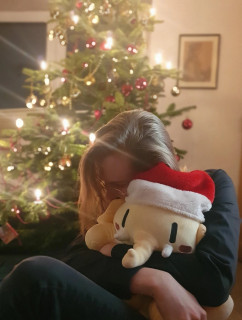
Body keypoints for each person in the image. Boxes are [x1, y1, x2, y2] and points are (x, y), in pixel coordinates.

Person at [0, 110, 240, 320]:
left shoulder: (212, 185)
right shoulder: (111, 201)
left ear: (167, 165)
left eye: (134, 184)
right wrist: (155, 281)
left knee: (35, 277)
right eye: (112, 185)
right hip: (122, 304)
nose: (125, 196)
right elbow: (76, 258)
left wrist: (117, 254)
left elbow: (215, 279)